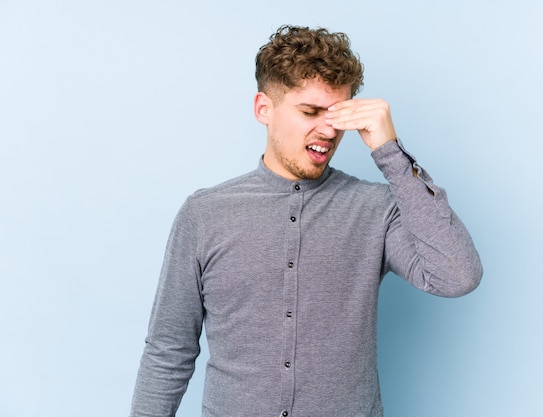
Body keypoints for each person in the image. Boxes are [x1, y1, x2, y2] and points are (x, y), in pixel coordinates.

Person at [130, 25, 482, 417]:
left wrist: (390, 152)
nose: (328, 130)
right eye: (310, 112)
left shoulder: (375, 208)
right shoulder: (205, 213)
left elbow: (457, 276)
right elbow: (168, 350)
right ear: (264, 108)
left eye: (338, 115)